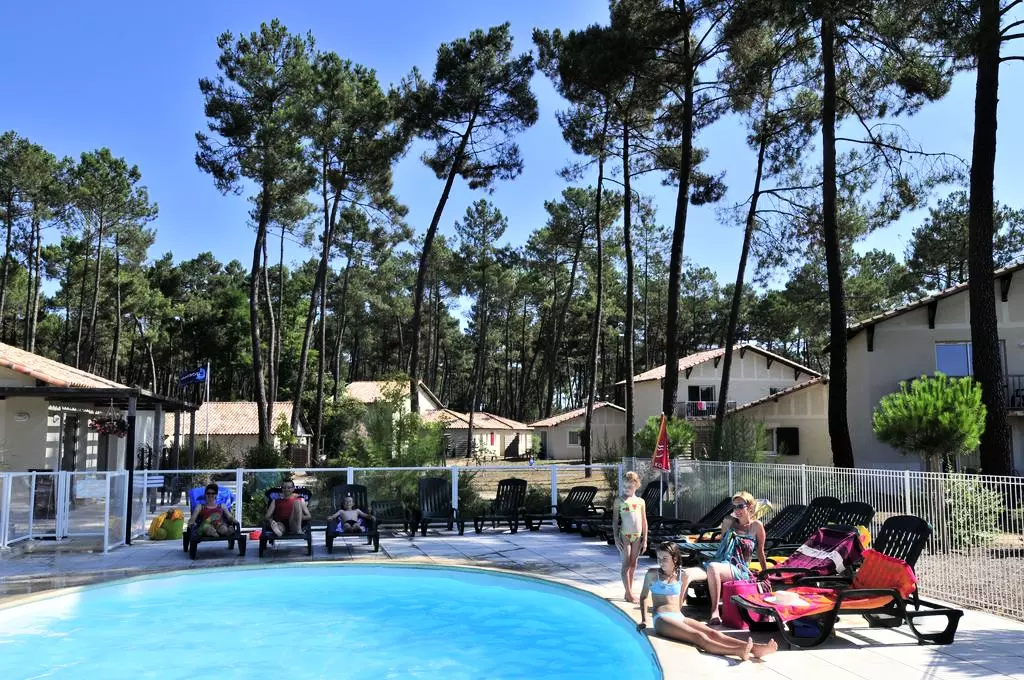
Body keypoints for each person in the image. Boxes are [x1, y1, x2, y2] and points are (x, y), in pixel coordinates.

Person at [638, 542, 777, 661]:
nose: (661, 562)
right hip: (662, 618)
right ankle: (737, 651)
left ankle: (756, 649)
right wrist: (644, 620)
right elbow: (643, 597)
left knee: (713, 633)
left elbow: (703, 572)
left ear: (675, 559)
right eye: (659, 558)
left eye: (665, 558)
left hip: (679, 617)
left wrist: (701, 573)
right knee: (698, 636)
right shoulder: (652, 574)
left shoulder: (682, 574)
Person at [680, 491, 767, 626]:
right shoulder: (729, 523)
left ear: (749, 507)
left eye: (740, 506)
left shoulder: (756, 526)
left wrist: (765, 573)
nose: (737, 510)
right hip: (720, 562)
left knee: (713, 567)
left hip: (739, 568)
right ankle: (676, 611)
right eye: (734, 507)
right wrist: (726, 524)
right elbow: (723, 546)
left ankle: (714, 611)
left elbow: (760, 552)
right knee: (685, 574)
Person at [612, 470, 648, 603]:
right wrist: (616, 538)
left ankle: (629, 592)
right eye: (624, 486)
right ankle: (629, 593)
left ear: (636, 486)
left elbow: (644, 521)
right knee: (625, 565)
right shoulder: (619, 501)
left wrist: (645, 539)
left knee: (633, 565)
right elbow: (615, 521)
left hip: (637, 537)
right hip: (625, 536)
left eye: (629, 487)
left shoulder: (640, 501)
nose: (626, 489)